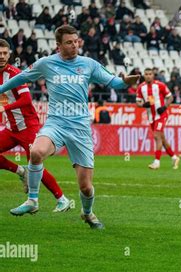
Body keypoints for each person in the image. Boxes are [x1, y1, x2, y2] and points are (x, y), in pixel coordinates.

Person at [0, 25, 140, 229]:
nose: (74, 45)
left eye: (76, 41)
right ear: (58, 45)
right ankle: (32, 200)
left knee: (86, 187)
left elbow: (113, 82)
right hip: (55, 123)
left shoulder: (89, 64)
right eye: (69, 42)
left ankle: (88, 213)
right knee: (36, 152)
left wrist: (125, 81)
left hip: (80, 128)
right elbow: (21, 78)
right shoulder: (46, 64)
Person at [0, 39, 73, 212]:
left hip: (28, 128)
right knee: (29, 168)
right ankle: (20, 171)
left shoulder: (15, 74)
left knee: (35, 163)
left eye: (4, 53)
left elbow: (26, 99)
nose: (2, 56)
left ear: (9, 54)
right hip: (12, 129)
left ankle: (62, 199)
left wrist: (4, 107)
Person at [136, 68, 179, 170]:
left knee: (156, 136)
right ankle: (174, 157)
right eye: (146, 74)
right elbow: (138, 102)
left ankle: (157, 162)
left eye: (150, 74)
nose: (148, 76)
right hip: (151, 117)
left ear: (153, 75)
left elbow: (170, 97)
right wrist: (143, 105)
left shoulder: (160, 85)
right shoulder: (141, 88)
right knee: (162, 139)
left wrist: (164, 107)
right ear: (144, 75)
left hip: (161, 115)